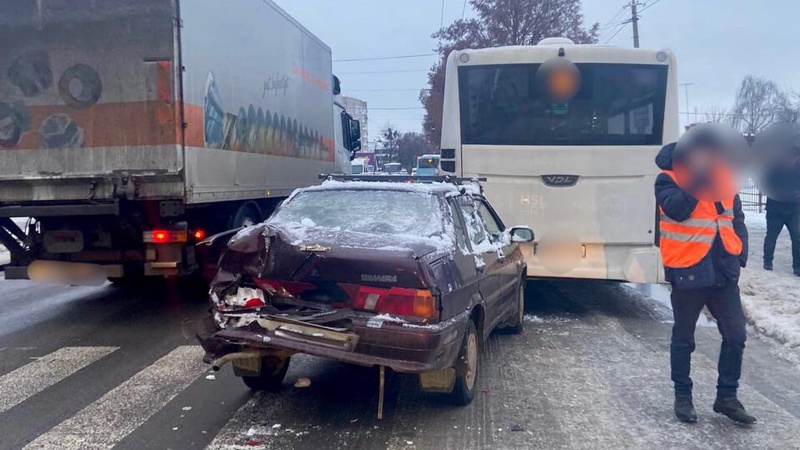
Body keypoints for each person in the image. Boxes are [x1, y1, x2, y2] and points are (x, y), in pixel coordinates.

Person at [654, 126, 756, 425]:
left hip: (724, 270)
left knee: (736, 335)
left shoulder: (724, 176)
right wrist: (698, 177)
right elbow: (678, 210)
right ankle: (683, 397)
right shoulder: (668, 178)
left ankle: (727, 397)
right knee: (684, 338)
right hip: (688, 269)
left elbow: (735, 217)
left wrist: (741, 252)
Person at [762, 155, 800, 275]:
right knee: (771, 236)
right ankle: (768, 262)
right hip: (775, 210)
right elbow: (766, 186)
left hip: (794, 210)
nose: (791, 160)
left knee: (797, 237)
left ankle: (797, 266)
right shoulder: (774, 169)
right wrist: (779, 193)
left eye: (794, 157)